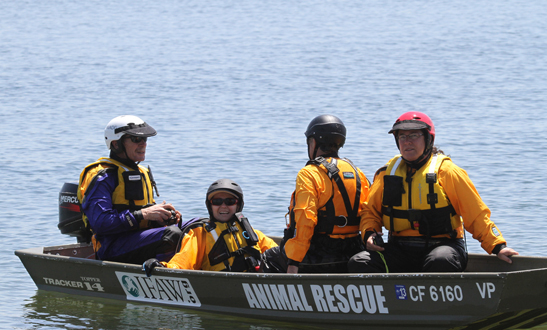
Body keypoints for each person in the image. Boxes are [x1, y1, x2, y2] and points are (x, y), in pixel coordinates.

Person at [348, 111, 519, 274]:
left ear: (429, 138)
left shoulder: (448, 171)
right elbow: (370, 212)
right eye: (402, 136)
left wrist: (498, 246)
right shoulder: (386, 173)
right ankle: (391, 302)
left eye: (414, 135)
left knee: (440, 261)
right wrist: (369, 233)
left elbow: (476, 215)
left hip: (443, 246)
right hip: (399, 248)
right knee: (360, 262)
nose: (407, 141)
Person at [77, 115, 182, 264]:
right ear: (116, 144)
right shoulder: (102, 177)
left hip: (138, 242)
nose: (143, 144)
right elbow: (101, 223)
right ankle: (165, 274)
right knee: (172, 235)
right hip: (111, 248)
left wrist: (162, 217)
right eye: (136, 139)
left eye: (145, 139)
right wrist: (143, 214)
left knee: (196, 226)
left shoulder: (142, 172)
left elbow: (143, 217)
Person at [281, 114, 371, 274]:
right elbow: (370, 213)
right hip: (353, 251)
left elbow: (305, 219)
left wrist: (294, 262)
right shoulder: (358, 173)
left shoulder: (309, 173)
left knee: (270, 257)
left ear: (313, 142)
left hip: (320, 255)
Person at [143, 179, 283, 275]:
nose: (223, 206)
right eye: (217, 201)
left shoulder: (248, 231)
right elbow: (183, 260)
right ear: (210, 205)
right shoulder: (200, 233)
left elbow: (277, 251)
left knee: (281, 253)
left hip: (256, 277)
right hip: (226, 282)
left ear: (238, 205)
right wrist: (162, 267)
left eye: (230, 201)